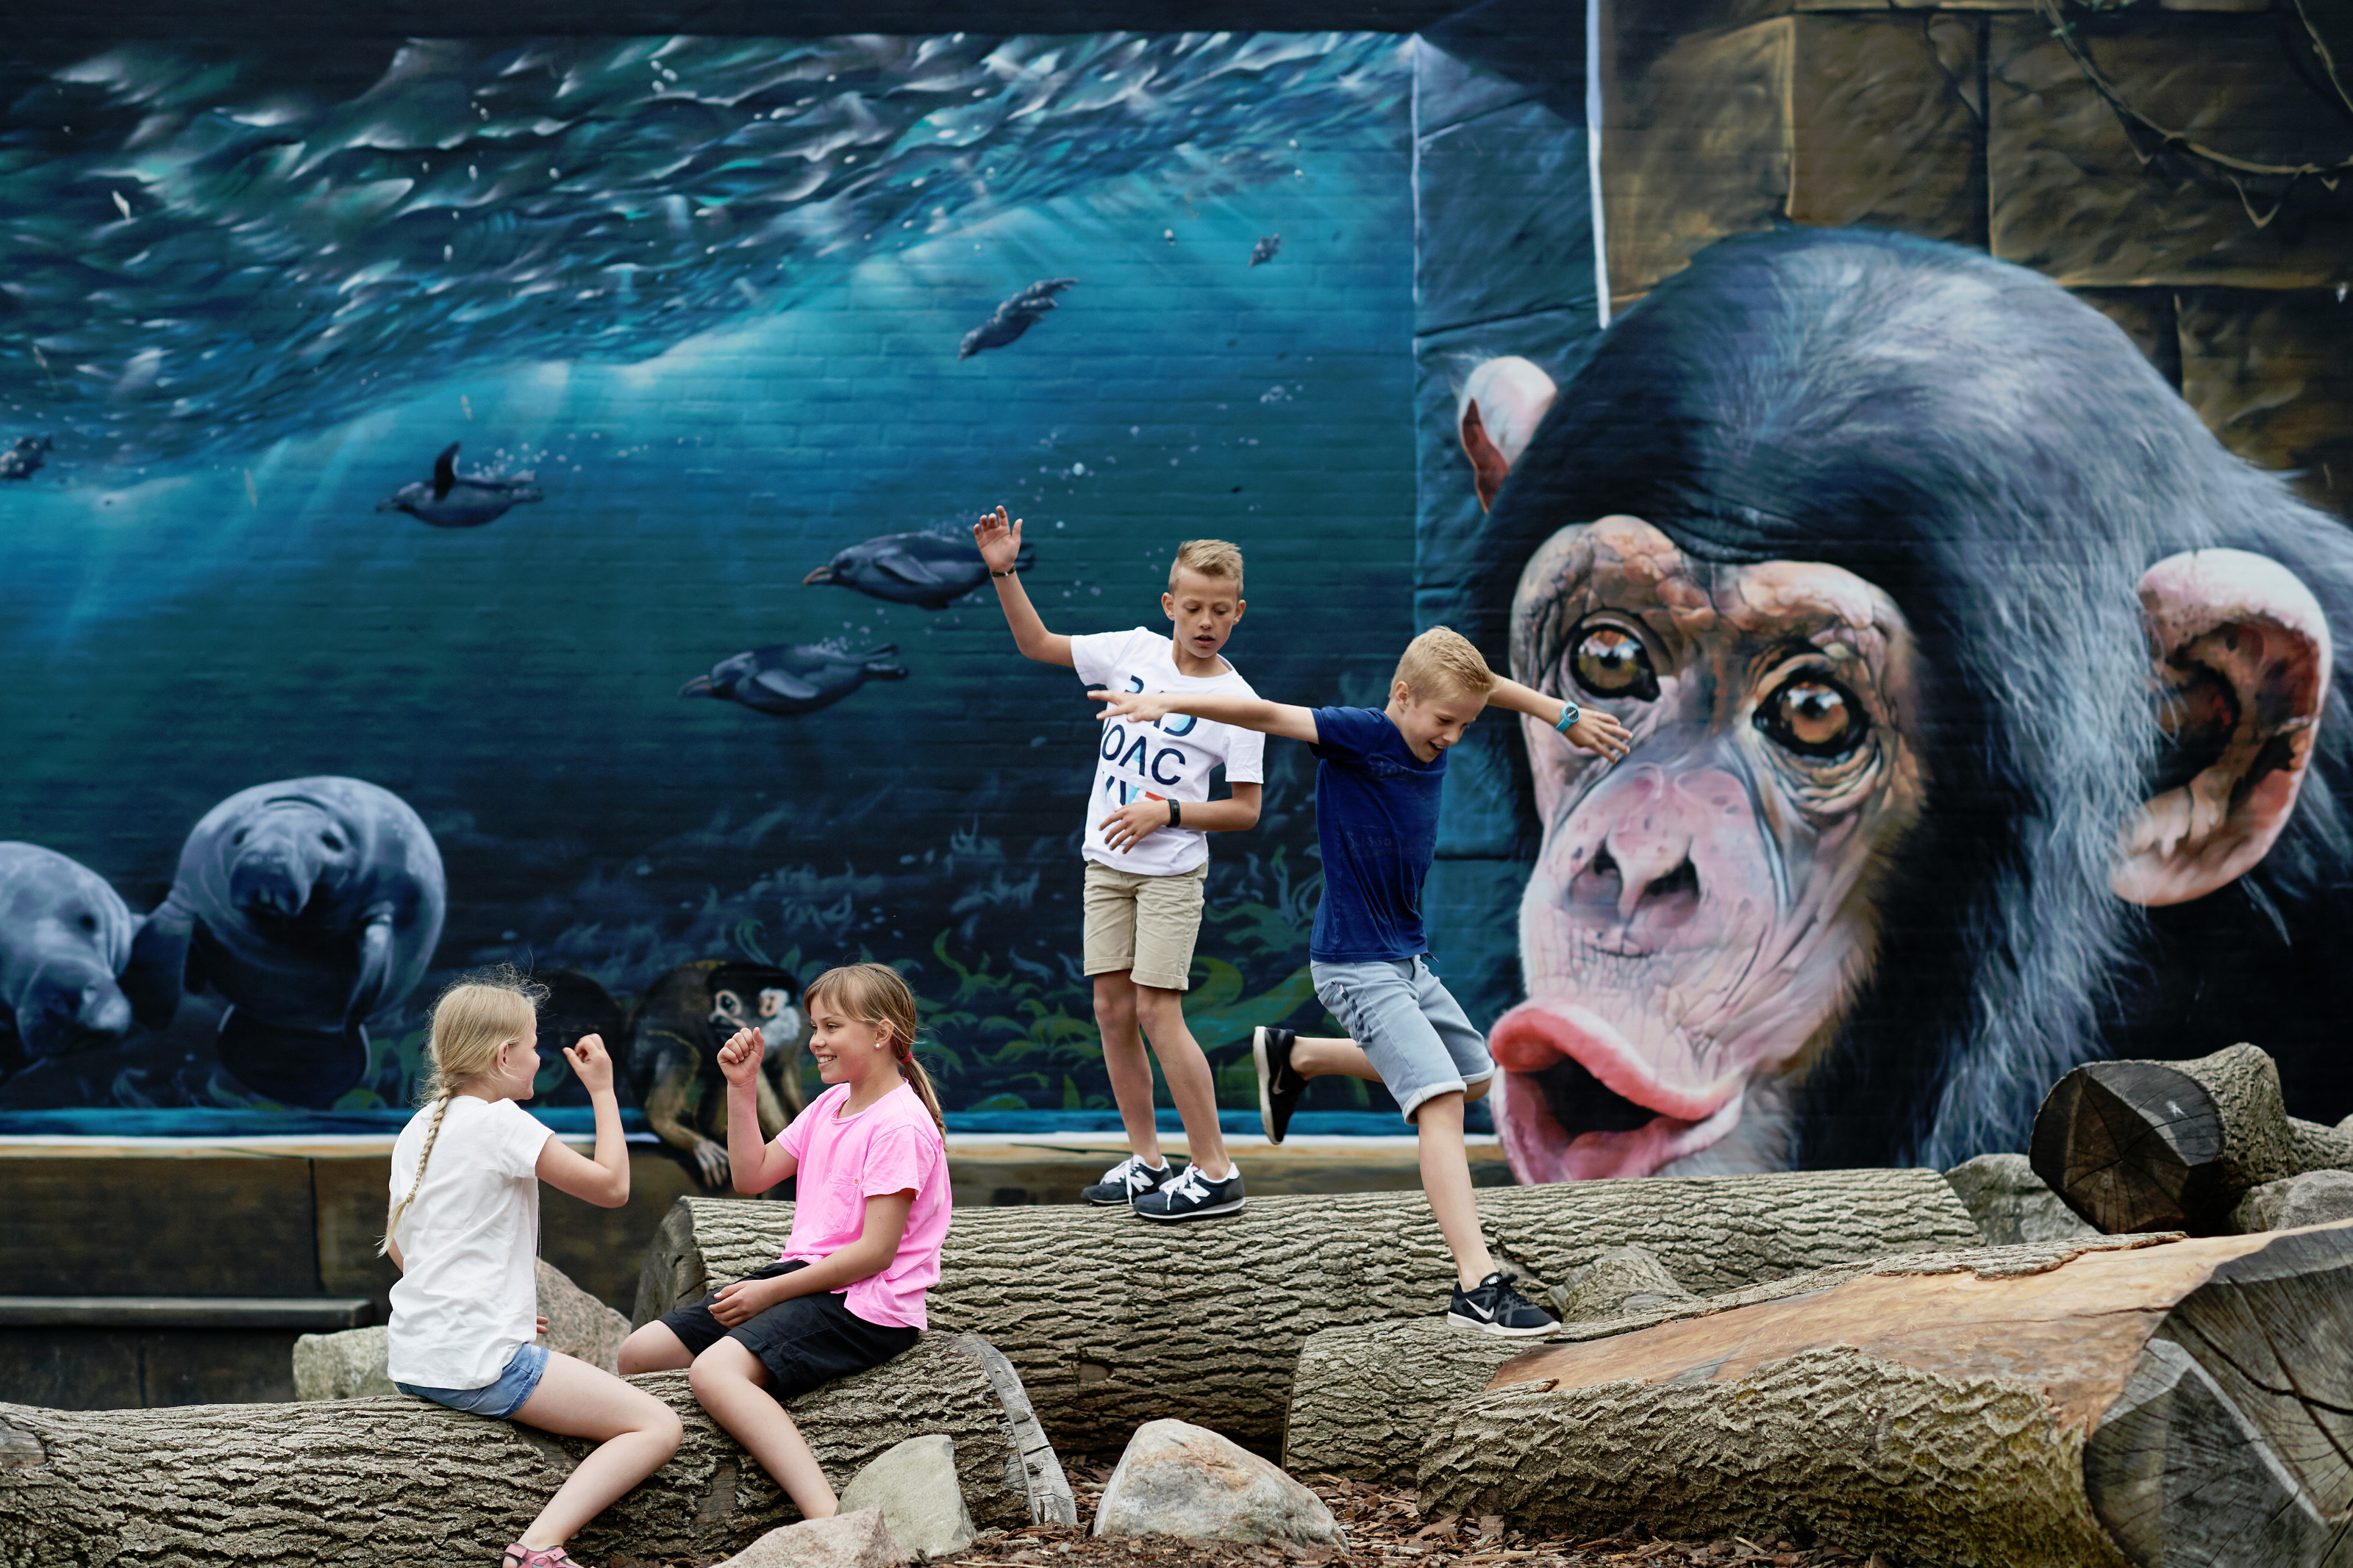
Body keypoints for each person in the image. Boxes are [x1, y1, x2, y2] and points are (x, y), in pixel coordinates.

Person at [1089, 626, 1634, 1333]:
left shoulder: (1442, 710)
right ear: (1402, 696)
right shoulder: (1362, 734)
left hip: (1406, 959)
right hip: (1354, 964)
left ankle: (1299, 1058)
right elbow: (1267, 713)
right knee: (1440, 1099)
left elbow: (1486, 686)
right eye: (1445, 722)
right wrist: (1170, 700)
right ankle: (1476, 1283)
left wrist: (1561, 714)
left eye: (1465, 725)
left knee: (1475, 1076)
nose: (1454, 737)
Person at [972, 504, 1265, 1222]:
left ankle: (1215, 1169)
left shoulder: (1238, 702)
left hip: (1171, 872)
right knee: (1111, 1009)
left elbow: (1245, 810)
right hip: (1104, 862)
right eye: (1192, 607)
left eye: (1219, 610)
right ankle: (1147, 1161)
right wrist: (1004, 572)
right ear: (1169, 605)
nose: (1204, 621)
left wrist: (1167, 812)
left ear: (1237, 613)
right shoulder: (1132, 650)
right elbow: (1037, 643)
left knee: (1158, 1011)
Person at [615, 963, 950, 1519]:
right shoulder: (830, 1104)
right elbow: (752, 1175)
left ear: (882, 1033)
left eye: (831, 1027)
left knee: (714, 1372)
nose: (815, 1041)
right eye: (815, 1027)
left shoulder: (900, 1125)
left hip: (868, 1306)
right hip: (811, 1280)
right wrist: (741, 1087)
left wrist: (768, 1294)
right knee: (639, 1355)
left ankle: (826, 1516)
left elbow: (875, 1253)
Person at [382, 968, 682, 1568]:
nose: (540, 1059)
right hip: (476, 1362)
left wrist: (491, 1305)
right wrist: (603, 1090)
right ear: (503, 1055)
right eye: (534, 1045)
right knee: (656, 1424)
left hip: (416, 1359)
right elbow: (613, 1186)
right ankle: (537, 1547)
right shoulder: (501, 1122)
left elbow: (400, 1248)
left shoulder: (420, 1126)